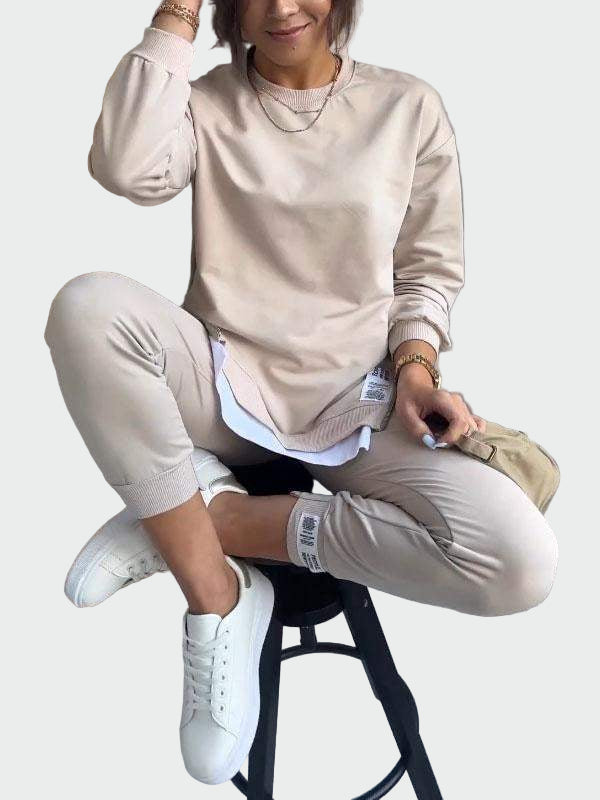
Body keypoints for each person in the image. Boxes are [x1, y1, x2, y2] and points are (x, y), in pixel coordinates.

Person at [43, 0, 559, 787]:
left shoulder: (407, 105)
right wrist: (176, 14)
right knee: (86, 308)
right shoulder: (204, 104)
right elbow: (124, 166)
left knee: (519, 563)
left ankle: (197, 518)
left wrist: (416, 367)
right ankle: (215, 593)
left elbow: (427, 270)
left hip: (359, 402)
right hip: (223, 385)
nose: (283, 7)